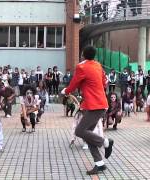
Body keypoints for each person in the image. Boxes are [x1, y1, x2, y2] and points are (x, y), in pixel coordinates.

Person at [61, 46, 114, 175]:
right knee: (88, 134)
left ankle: (106, 142)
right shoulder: (98, 65)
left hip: (94, 105)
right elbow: (103, 83)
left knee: (80, 131)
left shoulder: (82, 67)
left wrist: (66, 91)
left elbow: (74, 83)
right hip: (100, 103)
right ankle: (99, 164)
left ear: (83, 55)